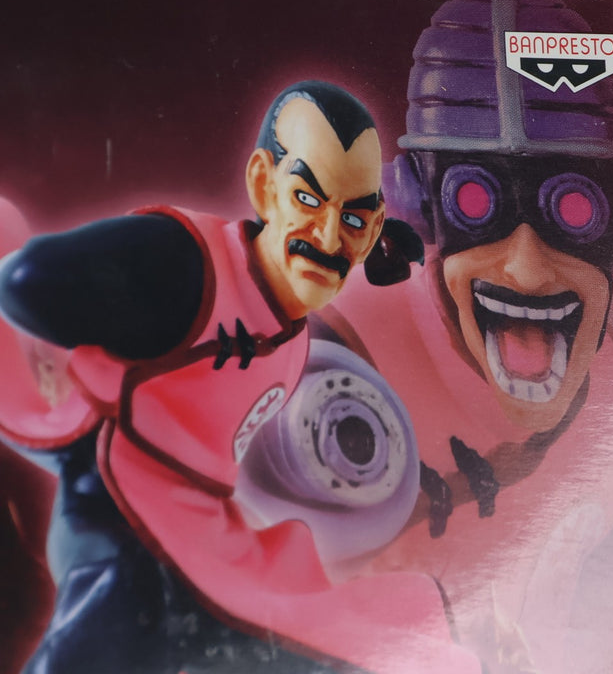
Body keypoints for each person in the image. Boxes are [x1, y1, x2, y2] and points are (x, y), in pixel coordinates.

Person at [0, 80, 480, 674]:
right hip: (117, 504)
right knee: (119, 623)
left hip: (203, 528)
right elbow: (27, 282)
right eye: (307, 199)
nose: (330, 237)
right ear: (263, 186)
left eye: (355, 218)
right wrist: (77, 364)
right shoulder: (187, 264)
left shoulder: (298, 322)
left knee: (308, 644)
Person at [306, 0, 613, 672]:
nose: (526, 267)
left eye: (575, 209)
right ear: (419, 206)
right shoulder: (330, 364)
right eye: (475, 200)